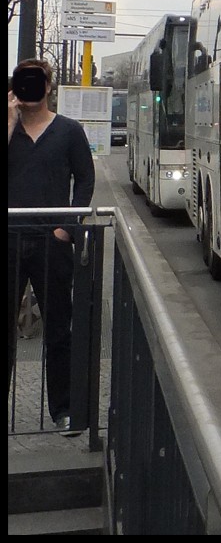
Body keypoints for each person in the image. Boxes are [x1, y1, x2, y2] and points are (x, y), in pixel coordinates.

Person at [8, 58, 95, 436]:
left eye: (35, 83)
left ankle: (65, 409)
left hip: (51, 241)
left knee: (59, 327)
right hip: (10, 239)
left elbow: (86, 181)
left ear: (47, 87)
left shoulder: (69, 131)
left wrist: (68, 228)